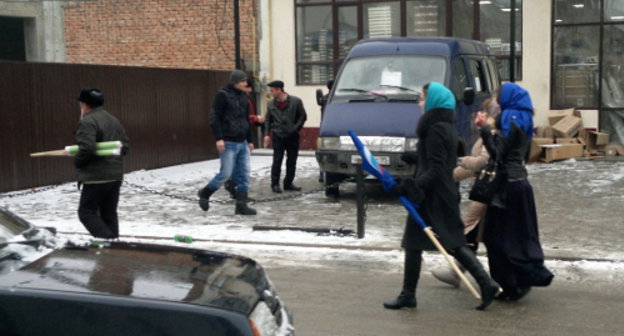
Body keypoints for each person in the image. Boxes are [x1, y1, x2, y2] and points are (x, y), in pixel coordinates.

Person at [383, 82, 501, 311]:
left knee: (453, 242)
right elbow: (439, 160)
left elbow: (438, 169)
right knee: (414, 243)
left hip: (436, 196)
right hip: (436, 194)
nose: (420, 102)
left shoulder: (436, 128)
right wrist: (416, 158)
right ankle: (408, 295)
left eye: (423, 98)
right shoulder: (442, 126)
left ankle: (486, 283)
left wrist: (410, 185)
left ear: (434, 101)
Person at [479, 82, 554, 301]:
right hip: (520, 184)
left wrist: (485, 131)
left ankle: (510, 285)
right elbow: (523, 154)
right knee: (518, 237)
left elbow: (498, 155)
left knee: (496, 237)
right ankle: (517, 281)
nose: (495, 99)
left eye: (498, 95)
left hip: (507, 188)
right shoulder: (523, 118)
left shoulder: (509, 117)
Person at [431, 96, 500, 287]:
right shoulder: (489, 133)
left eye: (485, 112)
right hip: (485, 189)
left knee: (471, 231)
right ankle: (458, 272)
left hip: (486, 191)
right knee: (473, 233)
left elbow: (482, 162)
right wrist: (451, 175)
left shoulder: (492, 134)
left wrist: (463, 160)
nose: (481, 114)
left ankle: (460, 273)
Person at [197, 70, 256, 215]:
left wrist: (250, 140)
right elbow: (214, 118)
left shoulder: (243, 97)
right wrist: (219, 138)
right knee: (225, 173)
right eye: (243, 81)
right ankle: (205, 193)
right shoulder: (222, 95)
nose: (245, 84)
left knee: (244, 175)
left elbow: (245, 119)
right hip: (228, 141)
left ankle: (241, 205)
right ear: (235, 82)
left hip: (242, 141)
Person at [74, 88, 129, 239]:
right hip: (115, 175)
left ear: (84, 105)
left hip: (96, 176)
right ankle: (114, 246)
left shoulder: (87, 122)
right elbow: (125, 146)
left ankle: (107, 241)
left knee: (86, 212)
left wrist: (78, 161)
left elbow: (87, 148)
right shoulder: (113, 120)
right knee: (108, 213)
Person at [263, 80, 307, 193]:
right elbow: (268, 120)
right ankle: (275, 184)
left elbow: (302, 116)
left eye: (272, 90)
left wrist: (295, 128)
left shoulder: (296, 101)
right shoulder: (271, 104)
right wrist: (267, 134)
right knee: (277, 160)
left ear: (279, 90)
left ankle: (288, 183)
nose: (270, 93)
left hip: (292, 136)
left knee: (292, 160)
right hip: (278, 136)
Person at [224, 78, 264, 199]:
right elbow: (242, 119)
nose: (250, 90)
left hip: (243, 136)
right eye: (248, 87)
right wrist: (255, 119)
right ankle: (233, 187)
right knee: (238, 167)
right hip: (234, 138)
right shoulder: (239, 99)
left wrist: (250, 139)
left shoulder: (245, 99)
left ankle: (238, 190)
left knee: (240, 166)